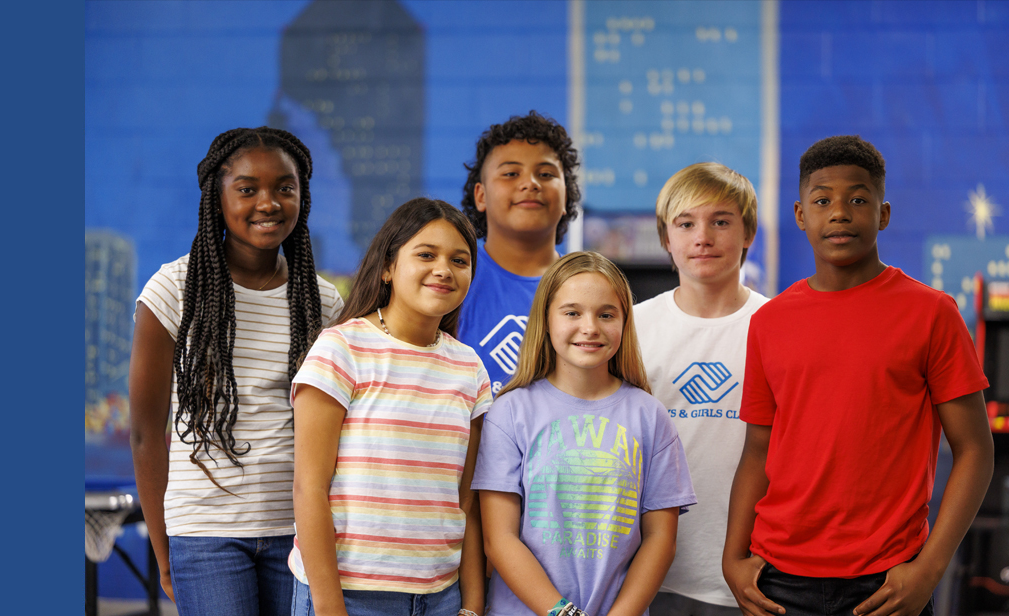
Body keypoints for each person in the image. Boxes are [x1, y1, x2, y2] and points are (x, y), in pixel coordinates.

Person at [723, 135, 993, 616]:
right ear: (801, 215)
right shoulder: (770, 321)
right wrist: (732, 558)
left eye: (858, 199)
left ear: (883, 214)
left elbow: (975, 450)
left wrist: (929, 570)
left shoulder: (931, 313)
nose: (840, 212)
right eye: (823, 200)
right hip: (778, 579)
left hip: (888, 581)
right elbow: (757, 450)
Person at [128, 127, 345, 616]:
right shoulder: (173, 289)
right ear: (217, 198)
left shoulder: (323, 303)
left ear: (302, 197)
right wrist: (164, 549)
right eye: (247, 189)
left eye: (284, 188)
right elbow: (144, 432)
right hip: (206, 537)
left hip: (297, 530)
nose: (267, 202)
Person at [289, 198, 490, 616]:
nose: (444, 269)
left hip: (441, 598)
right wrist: (328, 607)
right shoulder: (341, 348)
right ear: (387, 267)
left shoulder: (470, 368)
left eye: (459, 259)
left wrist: (471, 605)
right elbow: (309, 489)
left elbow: (465, 502)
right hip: (350, 596)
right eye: (426, 254)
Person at [474, 251, 696, 616]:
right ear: (546, 320)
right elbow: (500, 539)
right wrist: (562, 612)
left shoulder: (649, 416)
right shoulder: (511, 412)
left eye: (606, 314)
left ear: (625, 322)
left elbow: (660, 538)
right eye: (572, 312)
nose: (590, 327)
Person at [632, 163, 766, 616]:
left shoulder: (780, 325)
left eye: (721, 221)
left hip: (754, 572)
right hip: (646, 571)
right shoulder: (630, 327)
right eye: (685, 223)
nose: (702, 236)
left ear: (748, 232)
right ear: (666, 238)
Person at [457, 111, 583, 395]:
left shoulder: (589, 288)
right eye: (511, 173)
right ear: (481, 196)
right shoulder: (453, 276)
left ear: (566, 195)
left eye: (546, 174)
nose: (530, 183)